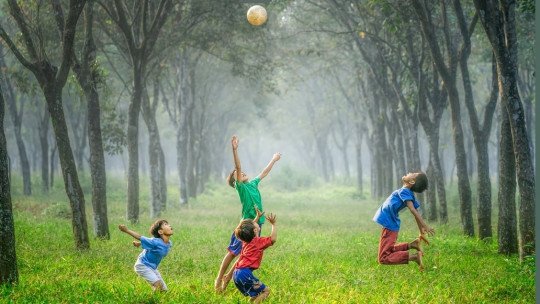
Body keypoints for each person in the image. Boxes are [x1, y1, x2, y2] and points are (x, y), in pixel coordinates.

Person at [214, 135, 281, 292]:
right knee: (232, 252)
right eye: (238, 174)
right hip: (246, 225)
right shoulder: (241, 188)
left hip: (258, 223)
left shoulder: (252, 184)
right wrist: (234, 150)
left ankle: (229, 277)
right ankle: (220, 277)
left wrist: (273, 159)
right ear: (235, 181)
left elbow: (264, 172)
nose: (242, 172)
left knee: (247, 251)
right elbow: (238, 166)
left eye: (242, 172)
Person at [372, 172, 435, 270]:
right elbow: (416, 212)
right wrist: (421, 231)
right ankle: (411, 245)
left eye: (413, 174)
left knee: (383, 258)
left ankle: (414, 257)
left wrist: (424, 225)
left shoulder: (405, 191)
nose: (409, 172)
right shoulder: (407, 192)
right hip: (390, 224)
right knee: (389, 249)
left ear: (412, 181)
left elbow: (413, 210)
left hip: (390, 225)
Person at [233, 211, 277, 303]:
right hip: (244, 274)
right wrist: (273, 225)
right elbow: (272, 239)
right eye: (255, 223)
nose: (256, 223)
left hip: (236, 274)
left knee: (256, 295)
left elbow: (249, 228)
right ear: (255, 230)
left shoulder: (245, 240)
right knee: (266, 291)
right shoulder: (258, 242)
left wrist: (257, 217)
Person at [118, 219, 174, 291]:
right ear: (160, 231)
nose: (169, 225)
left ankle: (157, 300)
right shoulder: (155, 242)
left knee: (164, 290)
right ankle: (150, 301)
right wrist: (126, 230)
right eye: (166, 225)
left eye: (168, 224)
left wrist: (139, 244)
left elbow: (153, 245)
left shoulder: (169, 243)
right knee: (158, 285)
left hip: (152, 268)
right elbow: (140, 237)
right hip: (142, 265)